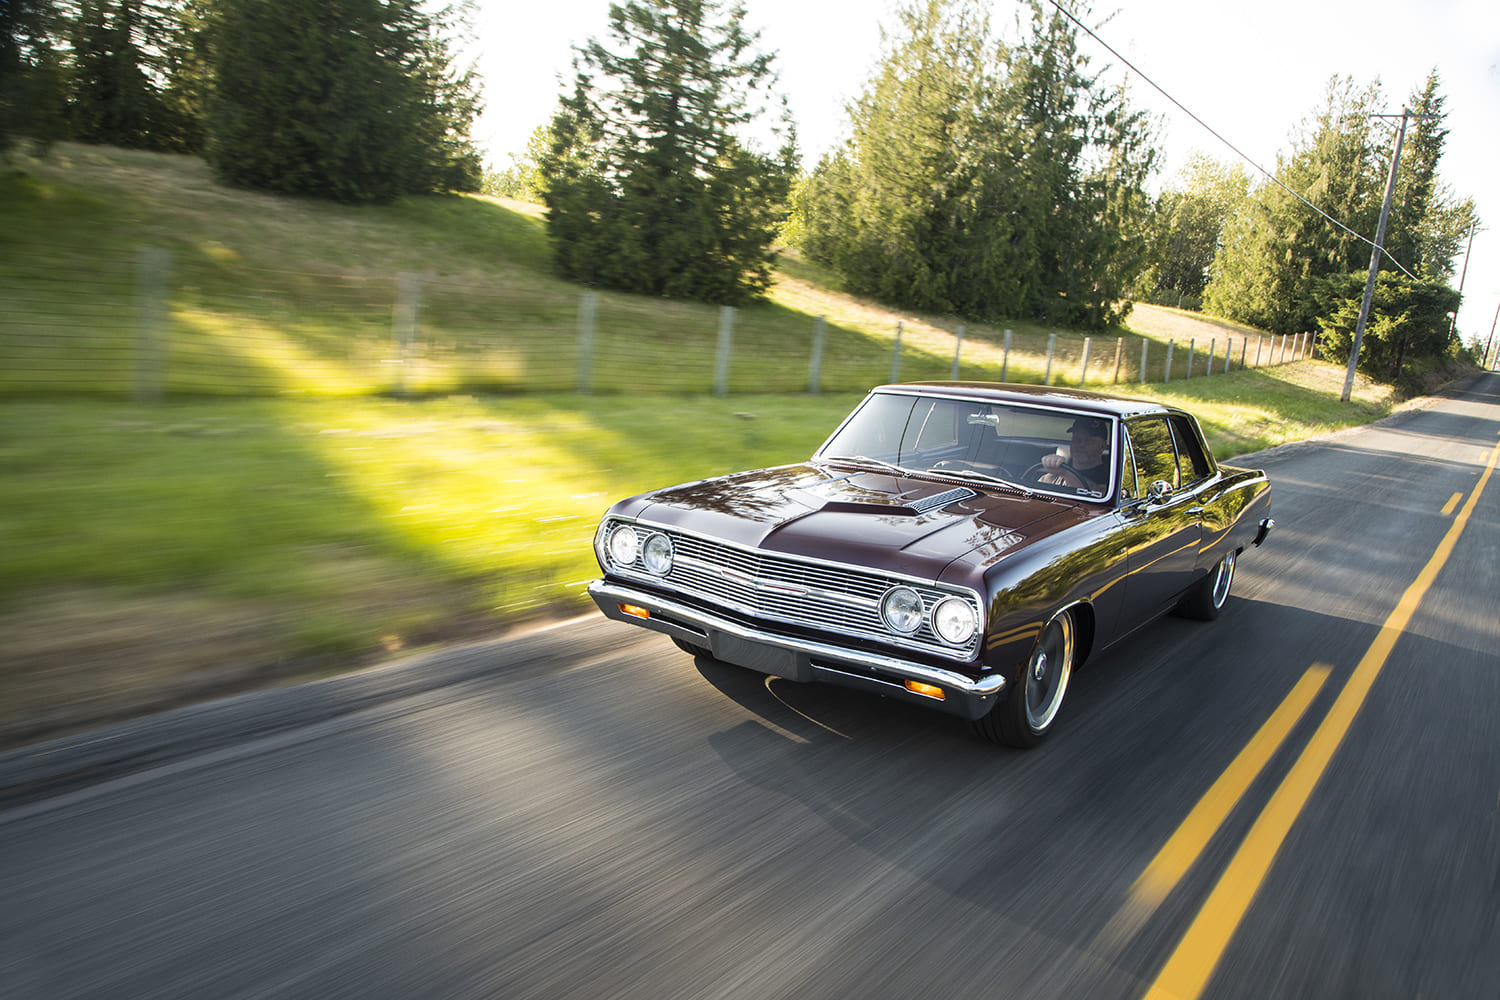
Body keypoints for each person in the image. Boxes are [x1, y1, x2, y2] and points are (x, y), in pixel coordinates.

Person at [1039, 416, 1110, 492]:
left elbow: (1098, 494)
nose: (1081, 445)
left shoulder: (1111, 477)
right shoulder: (1055, 475)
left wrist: (1066, 474)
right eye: (1077, 440)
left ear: (1103, 446)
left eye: (1088, 441)